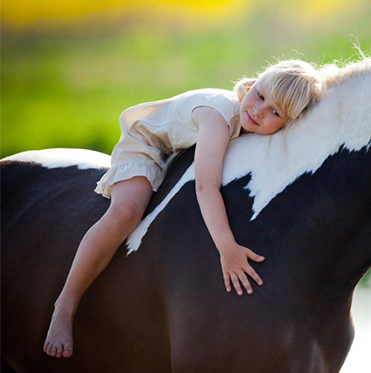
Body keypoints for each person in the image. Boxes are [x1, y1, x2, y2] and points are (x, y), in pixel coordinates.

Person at [43, 60, 323, 359]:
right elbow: (205, 186)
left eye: (275, 113)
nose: (258, 111)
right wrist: (226, 246)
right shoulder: (218, 118)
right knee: (126, 212)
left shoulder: (248, 121)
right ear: (252, 86)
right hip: (148, 146)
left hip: (180, 155)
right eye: (261, 97)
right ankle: (64, 306)